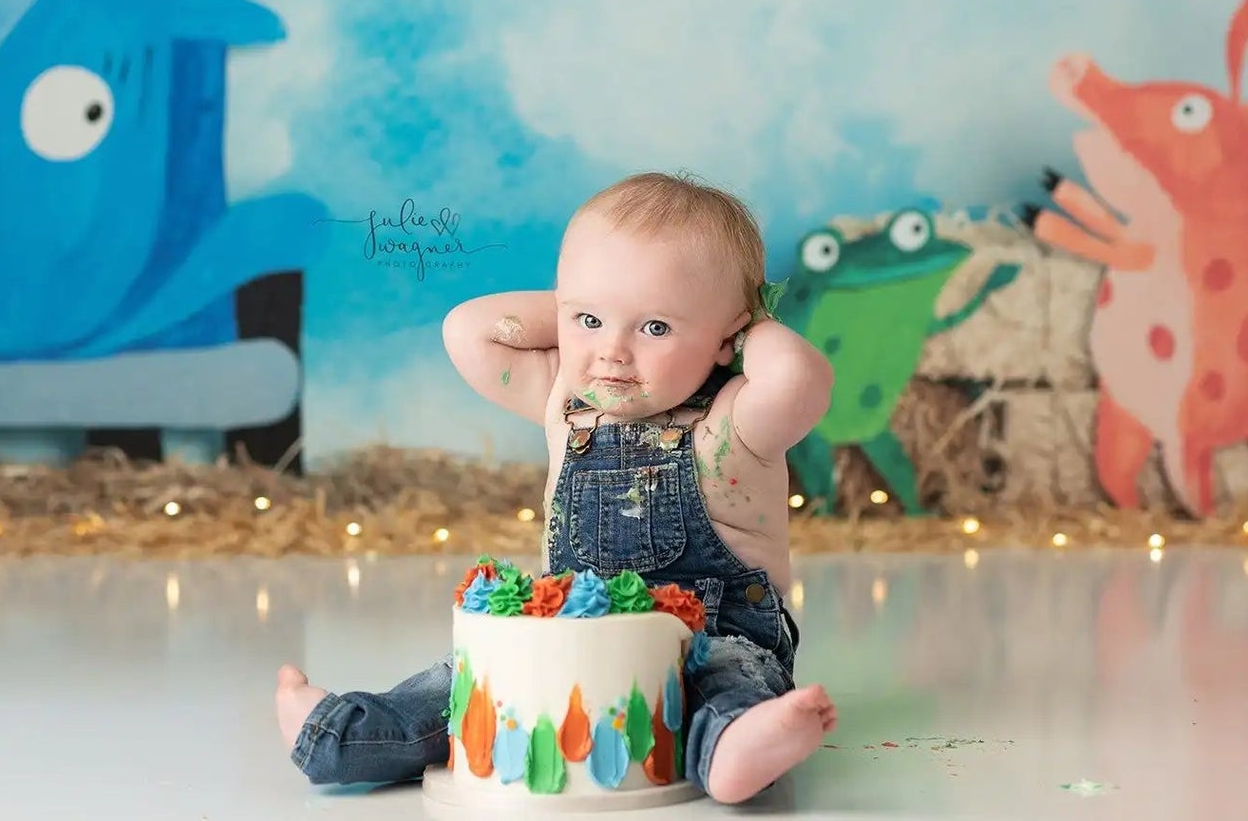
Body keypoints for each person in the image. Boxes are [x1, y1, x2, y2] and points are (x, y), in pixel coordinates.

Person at [277, 172, 837, 803]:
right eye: (591, 320)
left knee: (724, 682)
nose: (613, 352)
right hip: (569, 638)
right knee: (464, 687)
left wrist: (746, 323)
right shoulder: (566, 398)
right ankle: (344, 736)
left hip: (712, 636)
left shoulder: (733, 420)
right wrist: (591, 302)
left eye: (655, 328)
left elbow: (799, 378)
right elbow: (470, 330)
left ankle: (735, 746)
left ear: (729, 334)